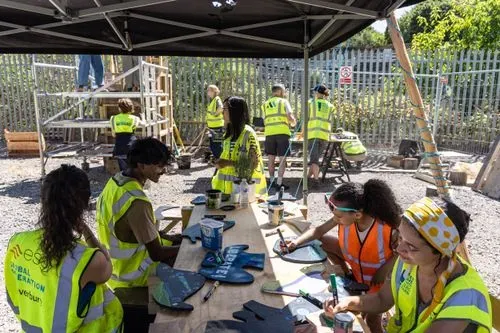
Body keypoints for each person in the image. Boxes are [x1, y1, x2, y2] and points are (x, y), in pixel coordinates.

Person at [324, 197, 493, 333]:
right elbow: (382, 299)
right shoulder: (411, 262)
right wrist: (348, 302)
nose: (399, 249)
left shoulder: (465, 298)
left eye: (411, 246)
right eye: (400, 237)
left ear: (441, 251)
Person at [5, 165, 123, 332]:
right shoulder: (87, 260)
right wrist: (84, 229)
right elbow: (107, 266)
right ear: (84, 204)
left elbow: (15, 296)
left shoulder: (17, 243)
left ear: (44, 201)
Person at [286, 180, 401, 333]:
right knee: (324, 241)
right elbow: (318, 231)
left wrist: (385, 269)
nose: (335, 219)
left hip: (378, 284)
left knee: (372, 321)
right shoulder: (345, 216)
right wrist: (295, 242)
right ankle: (347, 274)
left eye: (338, 216)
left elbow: (402, 254)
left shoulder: (386, 227)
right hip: (358, 273)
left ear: (358, 214)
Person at [97, 138, 180, 289]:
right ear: (141, 165)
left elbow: (133, 231)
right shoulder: (137, 202)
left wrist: (166, 236)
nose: (164, 171)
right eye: (159, 166)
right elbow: (157, 254)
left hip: (115, 267)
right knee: (190, 264)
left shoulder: (116, 182)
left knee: (179, 242)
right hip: (133, 275)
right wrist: (186, 250)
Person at [212, 96, 267, 197]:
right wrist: (219, 162)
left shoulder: (248, 134)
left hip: (245, 192)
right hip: (227, 192)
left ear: (235, 111)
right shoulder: (229, 134)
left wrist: (227, 163)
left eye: (224, 109)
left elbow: (253, 165)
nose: (222, 112)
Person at [262, 84, 296, 190]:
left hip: (269, 134)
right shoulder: (284, 101)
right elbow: (290, 117)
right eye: (284, 91)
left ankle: (272, 181)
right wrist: (294, 123)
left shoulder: (265, 104)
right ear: (281, 91)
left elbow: (264, 120)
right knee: (282, 160)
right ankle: (279, 183)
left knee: (270, 159)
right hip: (282, 133)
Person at [307, 84, 335, 184]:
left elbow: (305, 120)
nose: (313, 93)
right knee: (315, 159)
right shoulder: (330, 106)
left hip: (313, 135)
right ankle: (306, 179)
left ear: (318, 93)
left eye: (314, 92)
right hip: (324, 136)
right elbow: (331, 122)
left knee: (314, 160)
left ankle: (316, 181)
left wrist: (302, 133)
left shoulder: (310, 103)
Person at [110, 98, 144, 171]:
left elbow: (113, 134)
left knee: (124, 171)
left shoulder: (113, 119)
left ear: (119, 108)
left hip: (119, 148)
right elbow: (143, 123)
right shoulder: (135, 119)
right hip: (132, 147)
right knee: (133, 170)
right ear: (131, 108)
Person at [206, 84, 225, 160]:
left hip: (217, 127)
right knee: (213, 145)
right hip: (212, 127)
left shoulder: (217, 99)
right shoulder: (213, 100)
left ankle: (220, 159)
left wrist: (215, 114)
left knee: (217, 145)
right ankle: (217, 159)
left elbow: (221, 108)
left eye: (208, 90)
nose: (207, 92)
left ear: (213, 91)